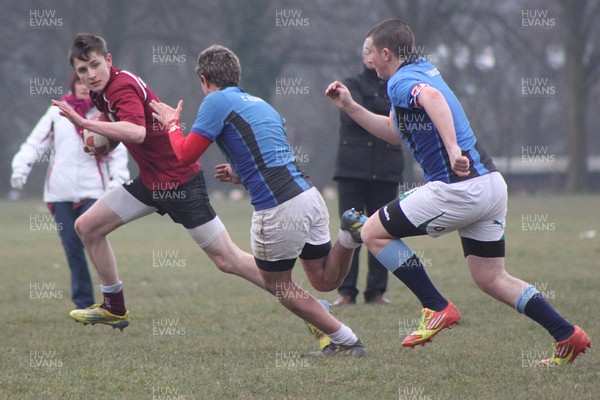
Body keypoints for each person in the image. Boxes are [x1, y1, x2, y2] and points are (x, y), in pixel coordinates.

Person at [325, 19, 590, 365]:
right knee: (491, 277)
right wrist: (349, 106)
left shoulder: (403, 81)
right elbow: (393, 131)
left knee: (372, 231)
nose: (367, 60)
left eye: (369, 52)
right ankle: (567, 334)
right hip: (490, 186)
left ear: (386, 53)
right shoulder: (422, 70)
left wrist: (452, 149)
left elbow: (433, 100)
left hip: (457, 187)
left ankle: (436, 306)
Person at [150, 45, 365, 356]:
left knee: (279, 285)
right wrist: (241, 175)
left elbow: (184, 156)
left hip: (278, 207)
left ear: (204, 77)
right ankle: (348, 237)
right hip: (307, 196)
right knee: (322, 279)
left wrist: (171, 123)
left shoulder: (215, 101)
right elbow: (274, 158)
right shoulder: (263, 105)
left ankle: (346, 340)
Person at [11, 73, 129, 309]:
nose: (84, 87)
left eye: (88, 83)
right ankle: (83, 304)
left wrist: (118, 181)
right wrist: (21, 167)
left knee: (95, 244)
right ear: (73, 86)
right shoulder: (57, 113)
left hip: (93, 190)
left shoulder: (103, 115)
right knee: (73, 250)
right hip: (60, 193)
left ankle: (111, 302)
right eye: (79, 82)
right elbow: (36, 142)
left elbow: (118, 151)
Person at [332, 43, 404, 306]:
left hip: (386, 170)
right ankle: (346, 291)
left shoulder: (397, 86)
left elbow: (401, 119)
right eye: (366, 51)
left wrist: (371, 109)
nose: (370, 57)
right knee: (350, 232)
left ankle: (376, 292)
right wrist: (380, 111)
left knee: (382, 231)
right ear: (363, 57)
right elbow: (353, 117)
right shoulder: (349, 85)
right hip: (352, 170)